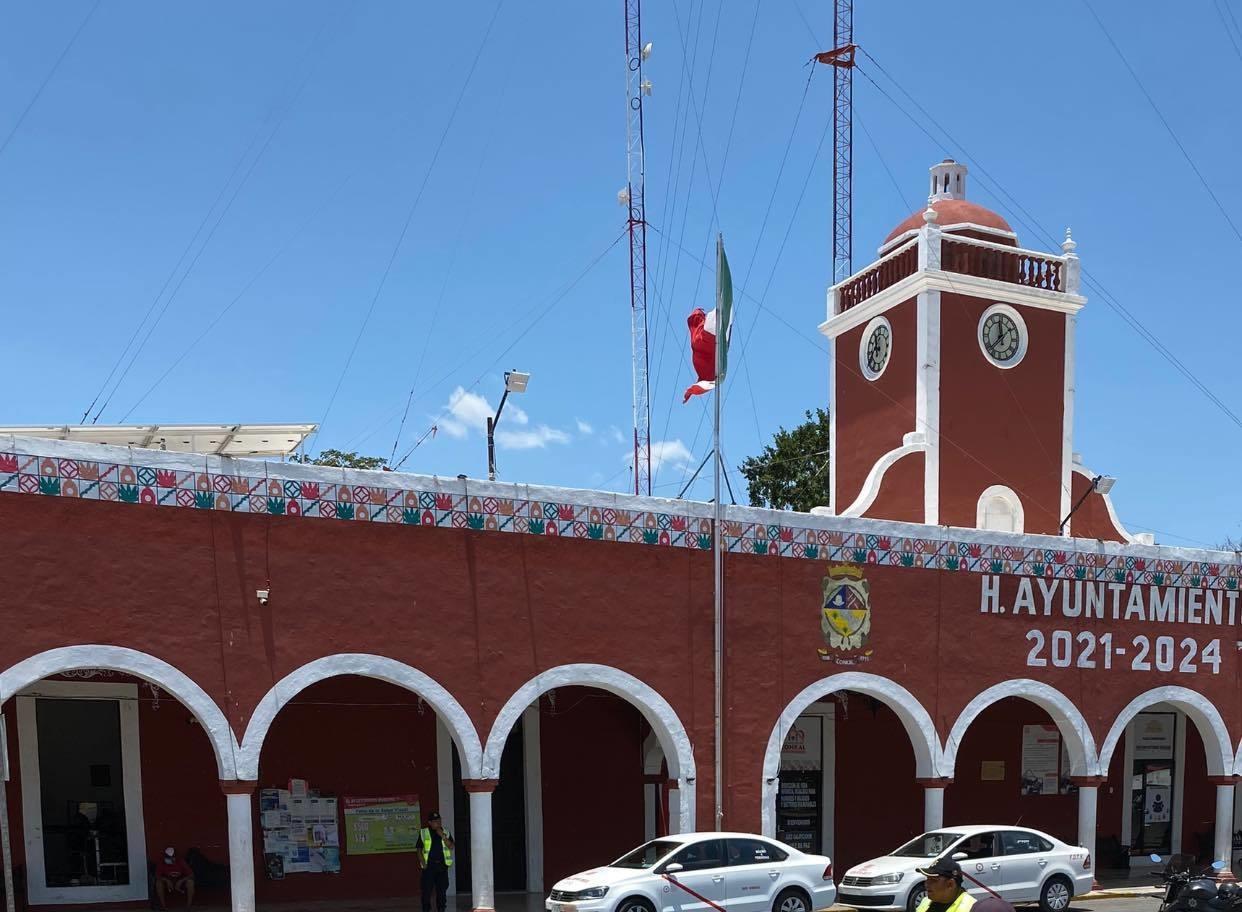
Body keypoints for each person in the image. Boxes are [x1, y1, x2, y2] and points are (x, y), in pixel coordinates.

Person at [418, 812, 455, 912]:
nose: (438, 823)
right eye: (435, 821)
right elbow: (419, 850)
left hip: (442, 866)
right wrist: (423, 863)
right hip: (429, 866)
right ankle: (426, 909)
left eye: (439, 820)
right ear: (430, 822)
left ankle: (441, 909)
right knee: (426, 891)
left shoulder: (445, 832)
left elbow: (451, 846)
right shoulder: (424, 832)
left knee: (441, 891)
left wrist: (442, 835)